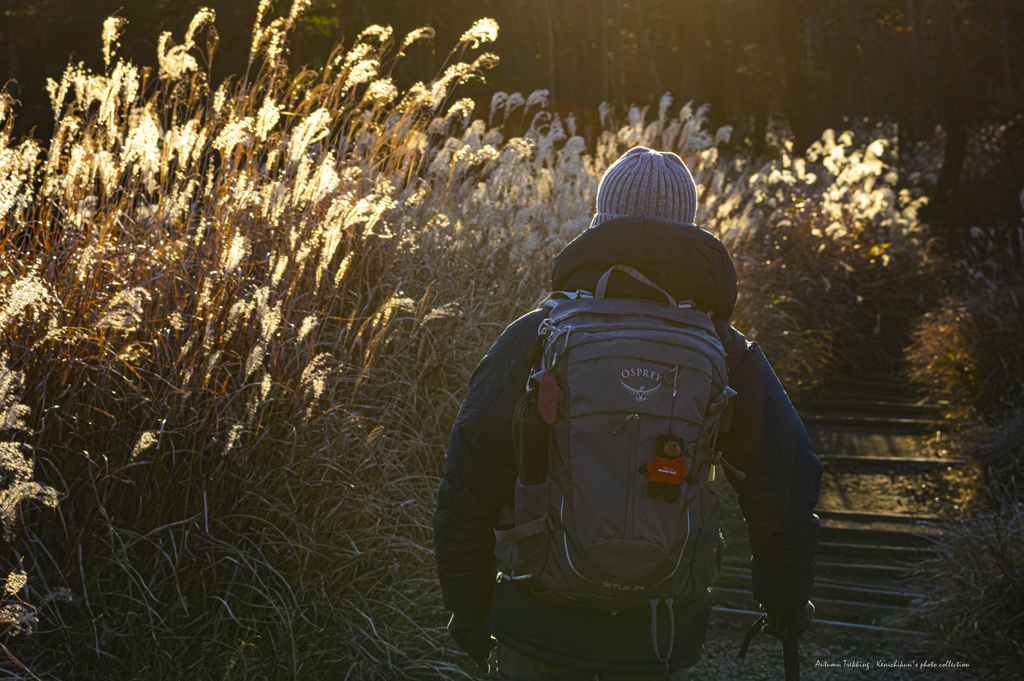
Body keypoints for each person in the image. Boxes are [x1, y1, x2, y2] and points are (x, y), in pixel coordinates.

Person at [433, 147, 821, 679]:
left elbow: (469, 478)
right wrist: (785, 605)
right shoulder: (726, 350)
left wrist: (469, 608)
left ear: (599, 225)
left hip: (539, 625)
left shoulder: (537, 336)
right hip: (659, 635)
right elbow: (787, 479)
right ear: (689, 229)